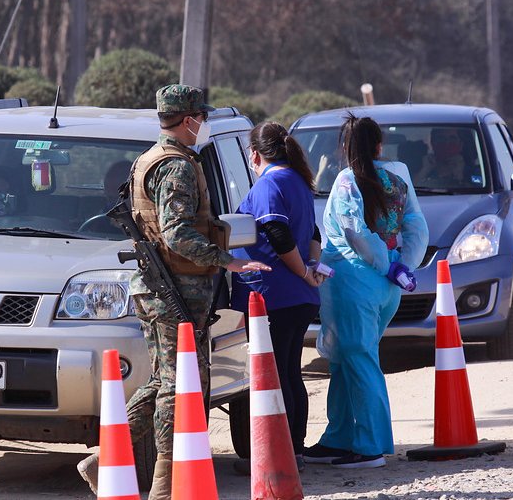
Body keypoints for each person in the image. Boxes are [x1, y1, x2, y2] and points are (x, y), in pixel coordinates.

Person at [77, 84, 270, 499]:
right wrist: (228, 260)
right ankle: (166, 484)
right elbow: (177, 233)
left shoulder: (149, 158)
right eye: (201, 116)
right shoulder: (176, 166)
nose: (203, 122)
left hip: (159, 287)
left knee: (165, 379)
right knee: (179, 386)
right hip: (173, 291)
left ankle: (105, 458)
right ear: (188, 120)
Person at [304, 114, 428, 468]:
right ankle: (339, 438)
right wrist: (401, 264)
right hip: (386, 285)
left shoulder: (346, 181)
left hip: (354, 282)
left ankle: (371, 445)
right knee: (346, 361)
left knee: (358, 360)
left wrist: (381, 263)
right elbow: (417, 226)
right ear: (378, 147)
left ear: (344, 147)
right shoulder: (398, 177)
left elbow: (354, 232)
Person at [229, 121, 324, 474]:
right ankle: (294, 451)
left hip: (275, 296)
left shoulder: (270, 182)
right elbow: (313, 232)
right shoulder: (299, 180)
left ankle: (277, 456)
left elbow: (277, 232)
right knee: (289, 373)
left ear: (255, 155)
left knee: (275, 377)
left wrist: (302, 272)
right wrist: (311, 268)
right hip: (298, 296)